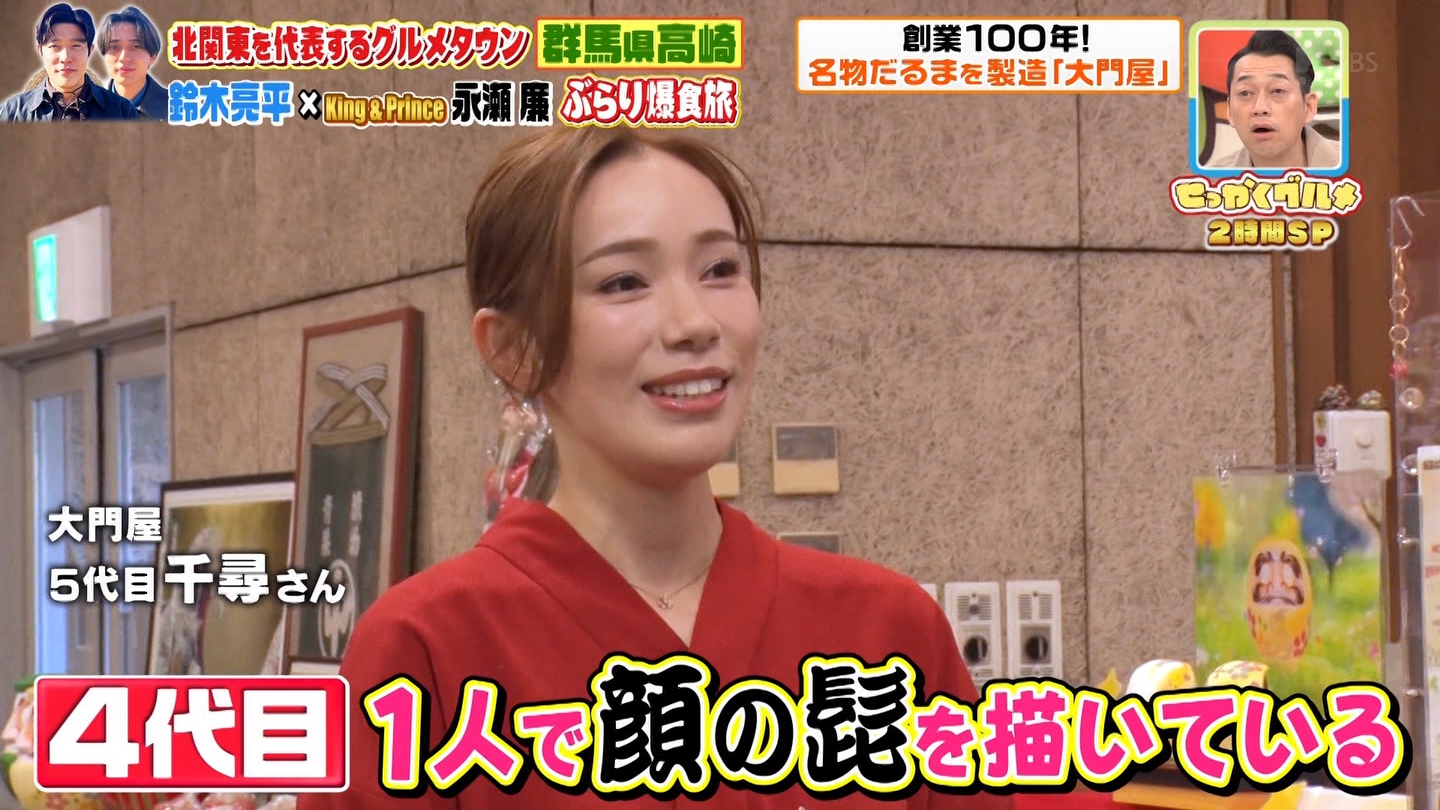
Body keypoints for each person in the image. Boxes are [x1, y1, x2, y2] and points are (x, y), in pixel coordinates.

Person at [300, 127, 1012, 809]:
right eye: (624, 282)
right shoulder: (426, 647)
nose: (694, 322)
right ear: (514, 348)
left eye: (720, 270)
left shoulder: (886, 629)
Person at [1208, 30, 1339, 170]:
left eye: (1277, 91)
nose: (1260, 108)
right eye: (1245, 93)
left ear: (1308, 107)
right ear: (1230, 111)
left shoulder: (1351, 164)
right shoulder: (1208, 180)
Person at [0, 3, 136, 121]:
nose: (65, 57)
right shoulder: (12, 113)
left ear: (90, 50)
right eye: (55, 46)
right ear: (40, 50)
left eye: (76, 46)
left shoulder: (122, 112)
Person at [97, 5, 167, 120]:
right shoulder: (84, 106)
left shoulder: (178, 109)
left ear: (153, 56)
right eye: (114, 47)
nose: (124, 58)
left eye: (135, 46)